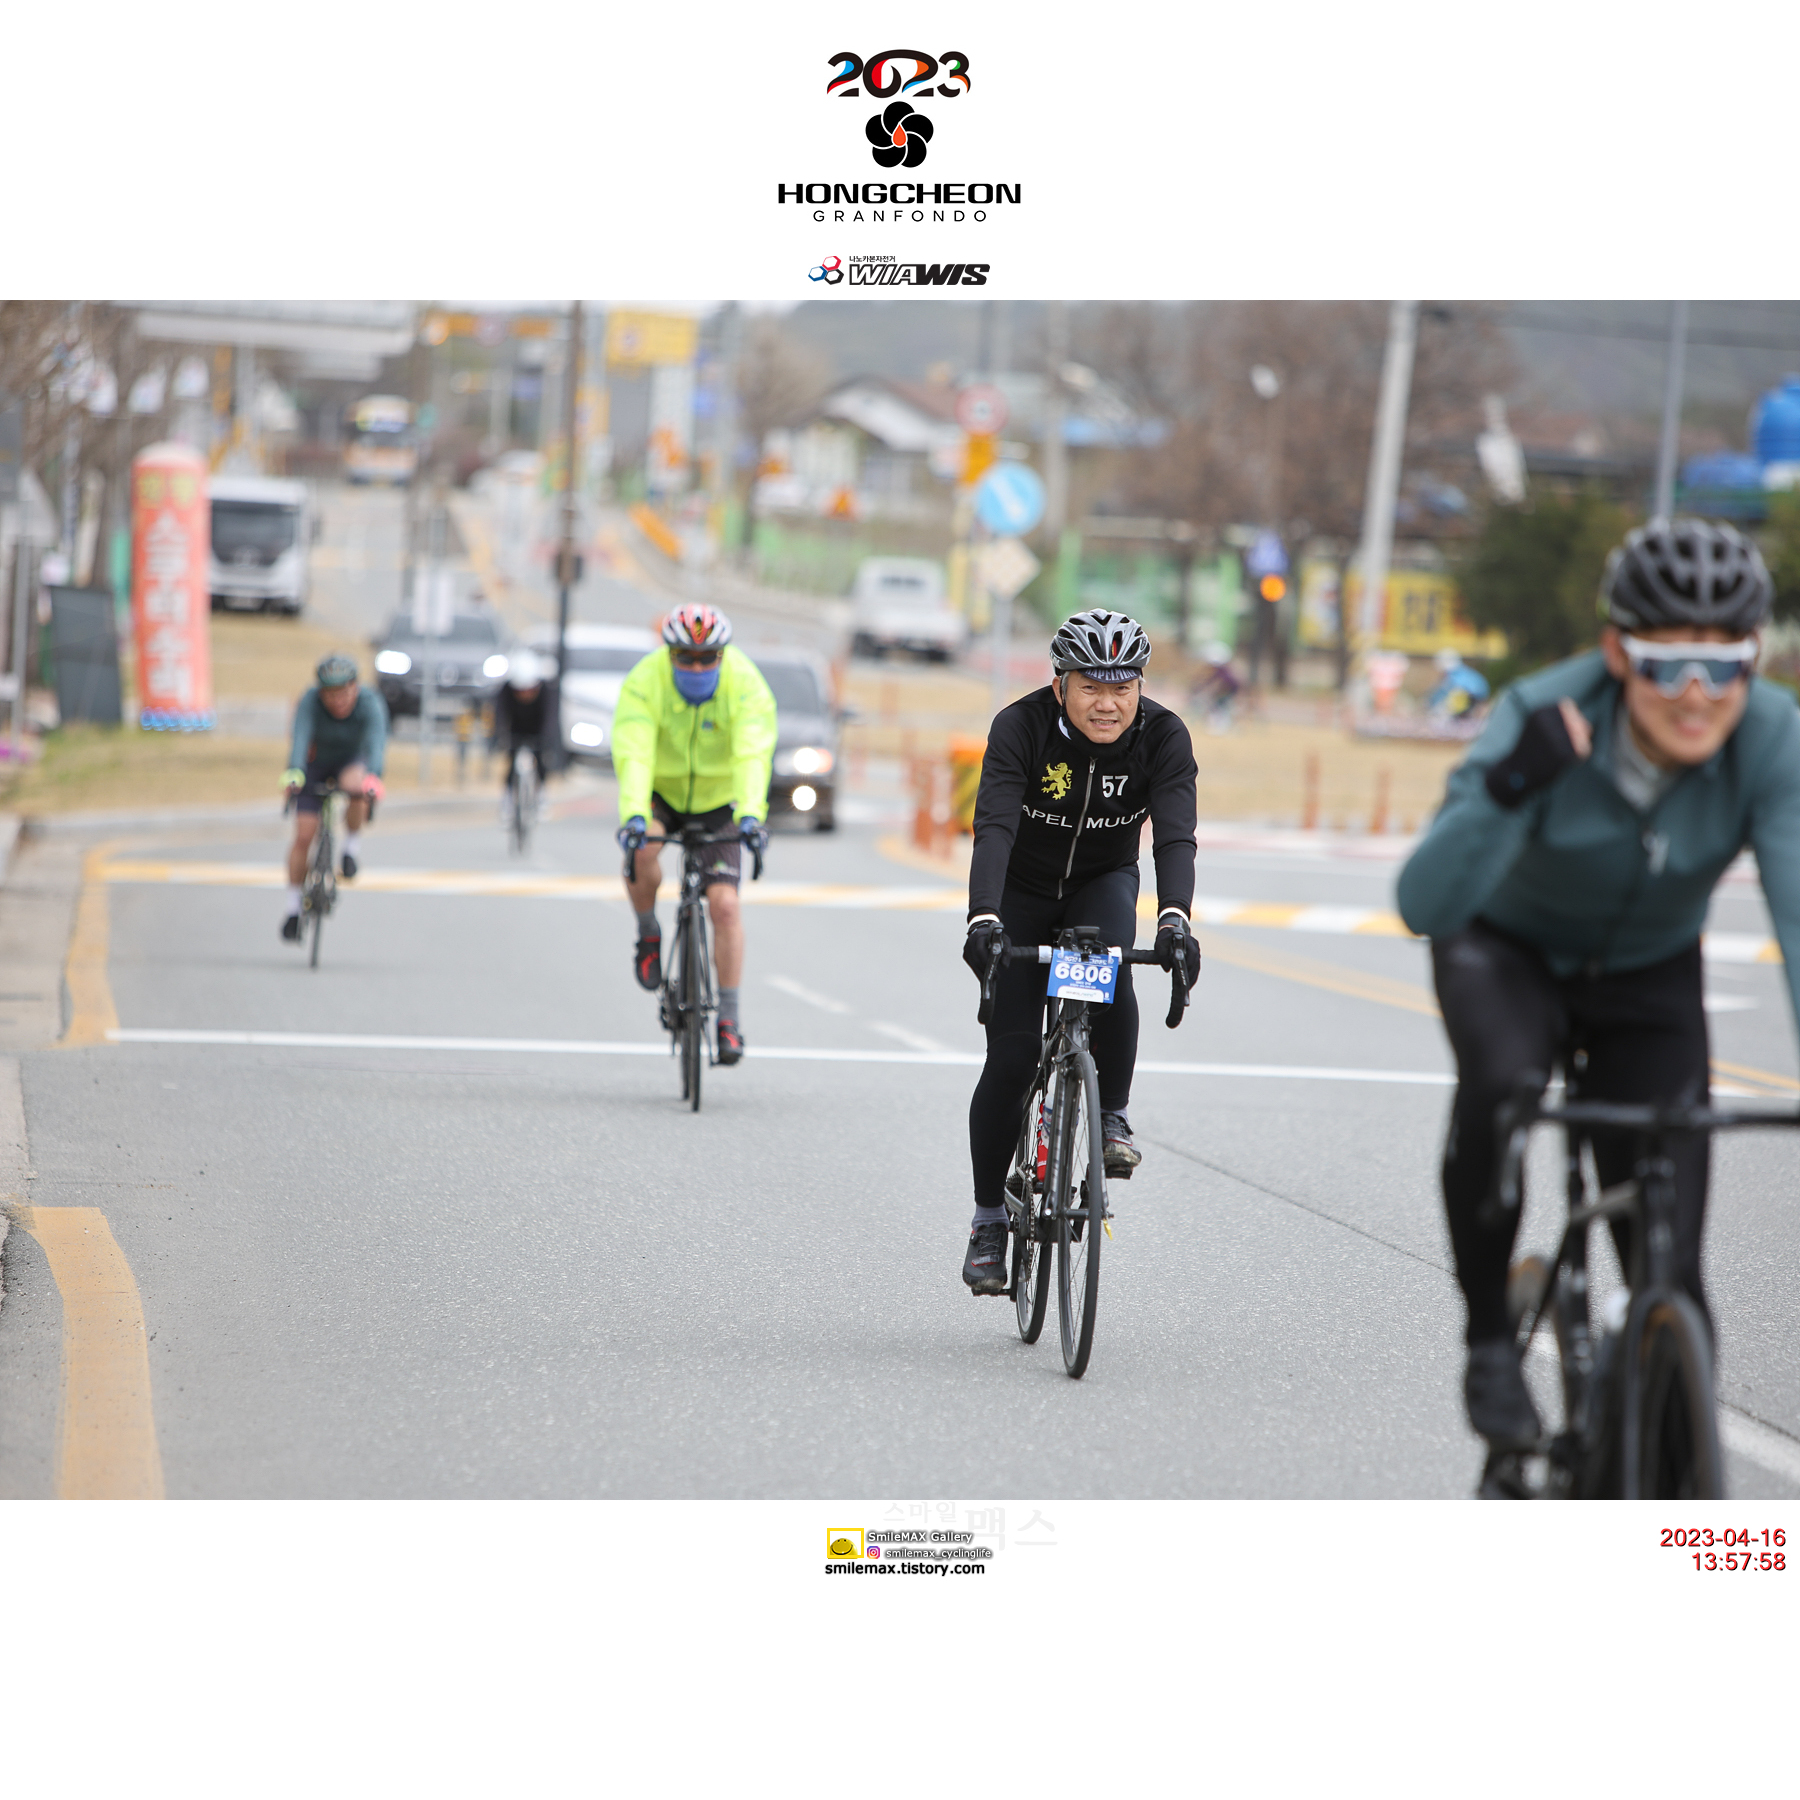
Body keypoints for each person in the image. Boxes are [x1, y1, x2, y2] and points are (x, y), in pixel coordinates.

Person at [1397, 518, 1800, 1466]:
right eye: (1666, 664)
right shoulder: (1543, 710)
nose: (1697, 694)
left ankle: (1667, 1478)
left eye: (1725, 665)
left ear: (1756, 657)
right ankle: (1490, 1340)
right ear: (1619, 653)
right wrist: (1513, 784)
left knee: (1672, 1260)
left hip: (1647, 970)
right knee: (1503, 1091)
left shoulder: (1772, 737)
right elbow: (1425, 902)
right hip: (1506, 949)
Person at [959, 608, 1201, 1293]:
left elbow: (1174, 835)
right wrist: (983, 917)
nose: (1108, 703)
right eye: (1091, 687)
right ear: (1060, 684)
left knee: (1110, 967)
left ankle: (1110, 1115)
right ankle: (987, 1221)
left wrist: (1176, 920)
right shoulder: (1021, 727)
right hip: (1021, 891)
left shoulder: (1163, 736)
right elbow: (994, 825)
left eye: (1123, 687)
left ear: (1140, 687)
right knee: (1011, 1059)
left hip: (1102, 882)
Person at [612, 604, 777, 1065]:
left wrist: (751, 815)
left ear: (724, 655)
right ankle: (648, 932)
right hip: (661, 793)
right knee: (642, 851)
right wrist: (634, 815)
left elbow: (752, 753)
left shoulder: (745, 684)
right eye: (686, 657)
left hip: (720, 802)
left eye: (709, 658)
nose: (698, 668)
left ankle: (728, 1019)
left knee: (724, 906)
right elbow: (634, 751)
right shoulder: (645, 681)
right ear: (669, 654)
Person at [280, 653, 388, 941]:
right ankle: (293, 909)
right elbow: (300, 737)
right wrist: (294, 772)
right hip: (315, 764)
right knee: (304, 835)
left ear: (355, 687)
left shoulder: (370, 703)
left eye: (343, 693)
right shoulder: (310, 702)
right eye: (330, 694)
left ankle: (350, 847)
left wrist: (374, 776)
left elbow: (377, 743)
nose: (337, 700)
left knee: (357, 786)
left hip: (350, 762)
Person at [492, 647, 551, 821]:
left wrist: (549, 740)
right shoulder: (505, 692)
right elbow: (499, 716)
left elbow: (550, 720)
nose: (525, 695)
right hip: (515, 728)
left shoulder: (546, 693)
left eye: (529, 690)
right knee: (511, 761)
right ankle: (508, 799)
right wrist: (499, 737)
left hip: (537, 728)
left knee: (541, 760)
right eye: (520, 691)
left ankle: (541, 795)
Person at [1426, 648, 1491, 721]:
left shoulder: (1455, 675)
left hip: (1471, 699)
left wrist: (1432, 703)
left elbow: (1450, 691)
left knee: (1453, 698)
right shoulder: (1464, 671)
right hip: (1476, 698)